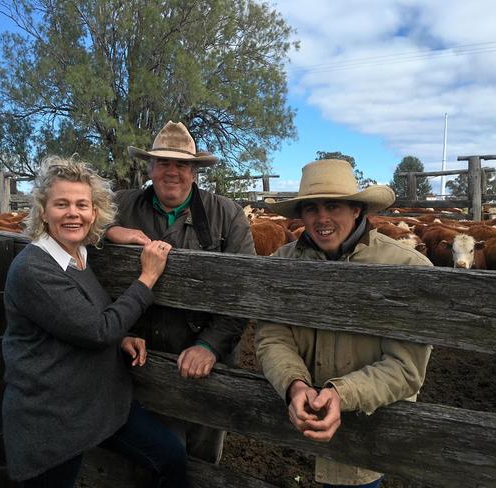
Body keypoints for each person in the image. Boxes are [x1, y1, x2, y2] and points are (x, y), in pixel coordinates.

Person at [1, 156, 188, 487]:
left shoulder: (79, 255)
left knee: (170, 455)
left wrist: (121, 339)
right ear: (43, 211)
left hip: (98, 404)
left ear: (94, 212)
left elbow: (83, 318)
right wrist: (147, 278)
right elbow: (98, 329)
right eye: (62, 204)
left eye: (82, 205)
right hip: (53, 418)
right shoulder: (35, 269)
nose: (73, 213)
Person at [255, 159, 433, 488]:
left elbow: (406, 367)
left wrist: (342, 394)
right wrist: (294, 384)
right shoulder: (280, 264)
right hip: (296, 431)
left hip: (366, 434)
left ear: (356, 210)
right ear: (301, 215)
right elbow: (272, 336)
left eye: (333, 206)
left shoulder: (407, 267)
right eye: (311, 208)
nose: (322, 218)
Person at [105, 121, 255, 463]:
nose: (171, 172)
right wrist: (110, 230)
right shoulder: (118, 206)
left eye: (182, 164)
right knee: (147, 454)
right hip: (139, 360)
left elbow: (245, 292)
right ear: (150, 167)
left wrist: (209, 345)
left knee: (201, 451)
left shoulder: (226, 214)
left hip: (205, 363)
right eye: (163, 163)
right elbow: (69, 226)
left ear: (195, 171)